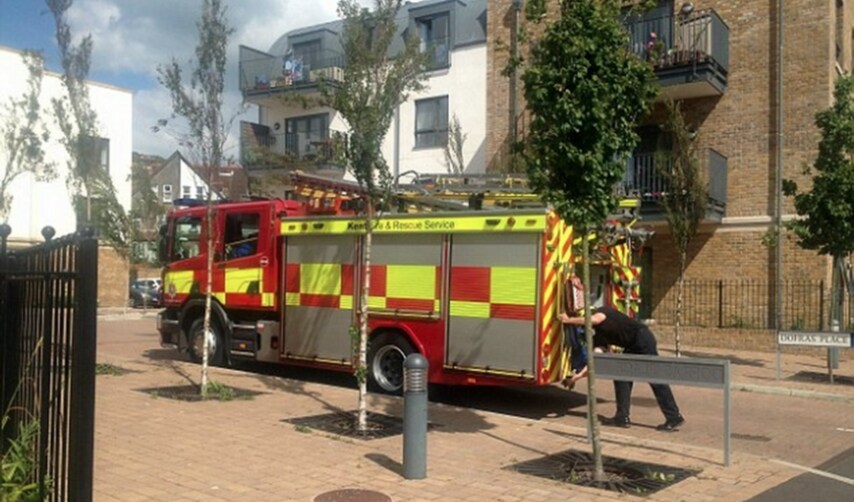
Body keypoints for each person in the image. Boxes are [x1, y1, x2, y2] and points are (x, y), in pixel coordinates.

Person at [559, 305, 685, 432]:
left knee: (655, 379)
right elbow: (595, 360)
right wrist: (576, 378)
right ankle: (622, 417)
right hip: (631, 346)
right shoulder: (597, 336)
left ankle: (674, 417)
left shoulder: (603, 311)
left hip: (642, 338)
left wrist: (568, 320)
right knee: (620, 376)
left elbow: (595, 319)